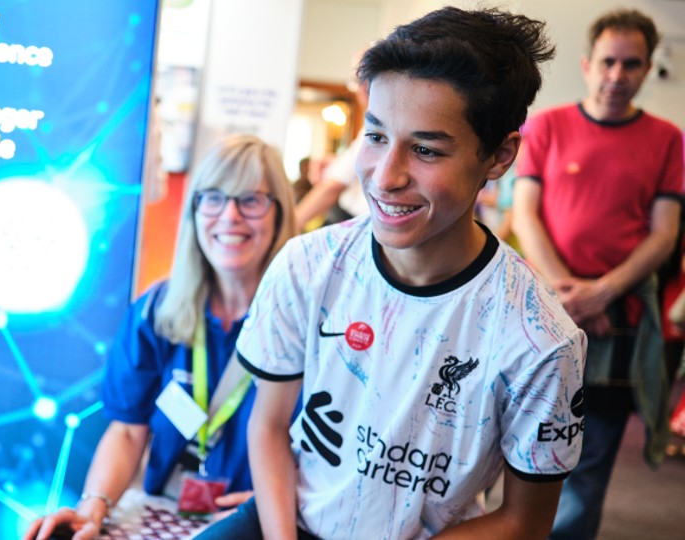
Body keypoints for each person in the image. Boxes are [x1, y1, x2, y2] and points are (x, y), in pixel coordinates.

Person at [198, 7, 585, 540]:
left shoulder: (540, 339)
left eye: (425, 149)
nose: (385, 176)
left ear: (499, 156)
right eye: (376, 136)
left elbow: (525, 521)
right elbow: (267, 426)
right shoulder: (307, 264)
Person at [23, 134, 298, 540]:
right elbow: (127, 430)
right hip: (162, 511)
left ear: (279, 213)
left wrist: (268, 505)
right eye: (213, 198)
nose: (230, 216)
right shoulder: (156, 311)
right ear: (194, 210)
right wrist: (93, 506)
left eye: (251, 200)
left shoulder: (307, 324)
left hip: (257, 523)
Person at [511, 8, 684, 539]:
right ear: (588, 65)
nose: (617, 75)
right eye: (608, 62)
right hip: (542, 307)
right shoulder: (545, 125)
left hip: (620, 318)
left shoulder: (668, 140)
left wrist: (602, 294)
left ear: (647, 68)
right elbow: (525, 214)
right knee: (514, 444)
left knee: (587, 462)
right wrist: (568, 294)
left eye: (631, 64)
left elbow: (664, 233)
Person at [294, 81, 370, 229]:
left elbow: (332, 187)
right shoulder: (367, 128)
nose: (359, 91)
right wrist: (336, 163)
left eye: (358, 82)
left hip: (352, 221)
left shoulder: (372, 128)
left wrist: (291, 225)